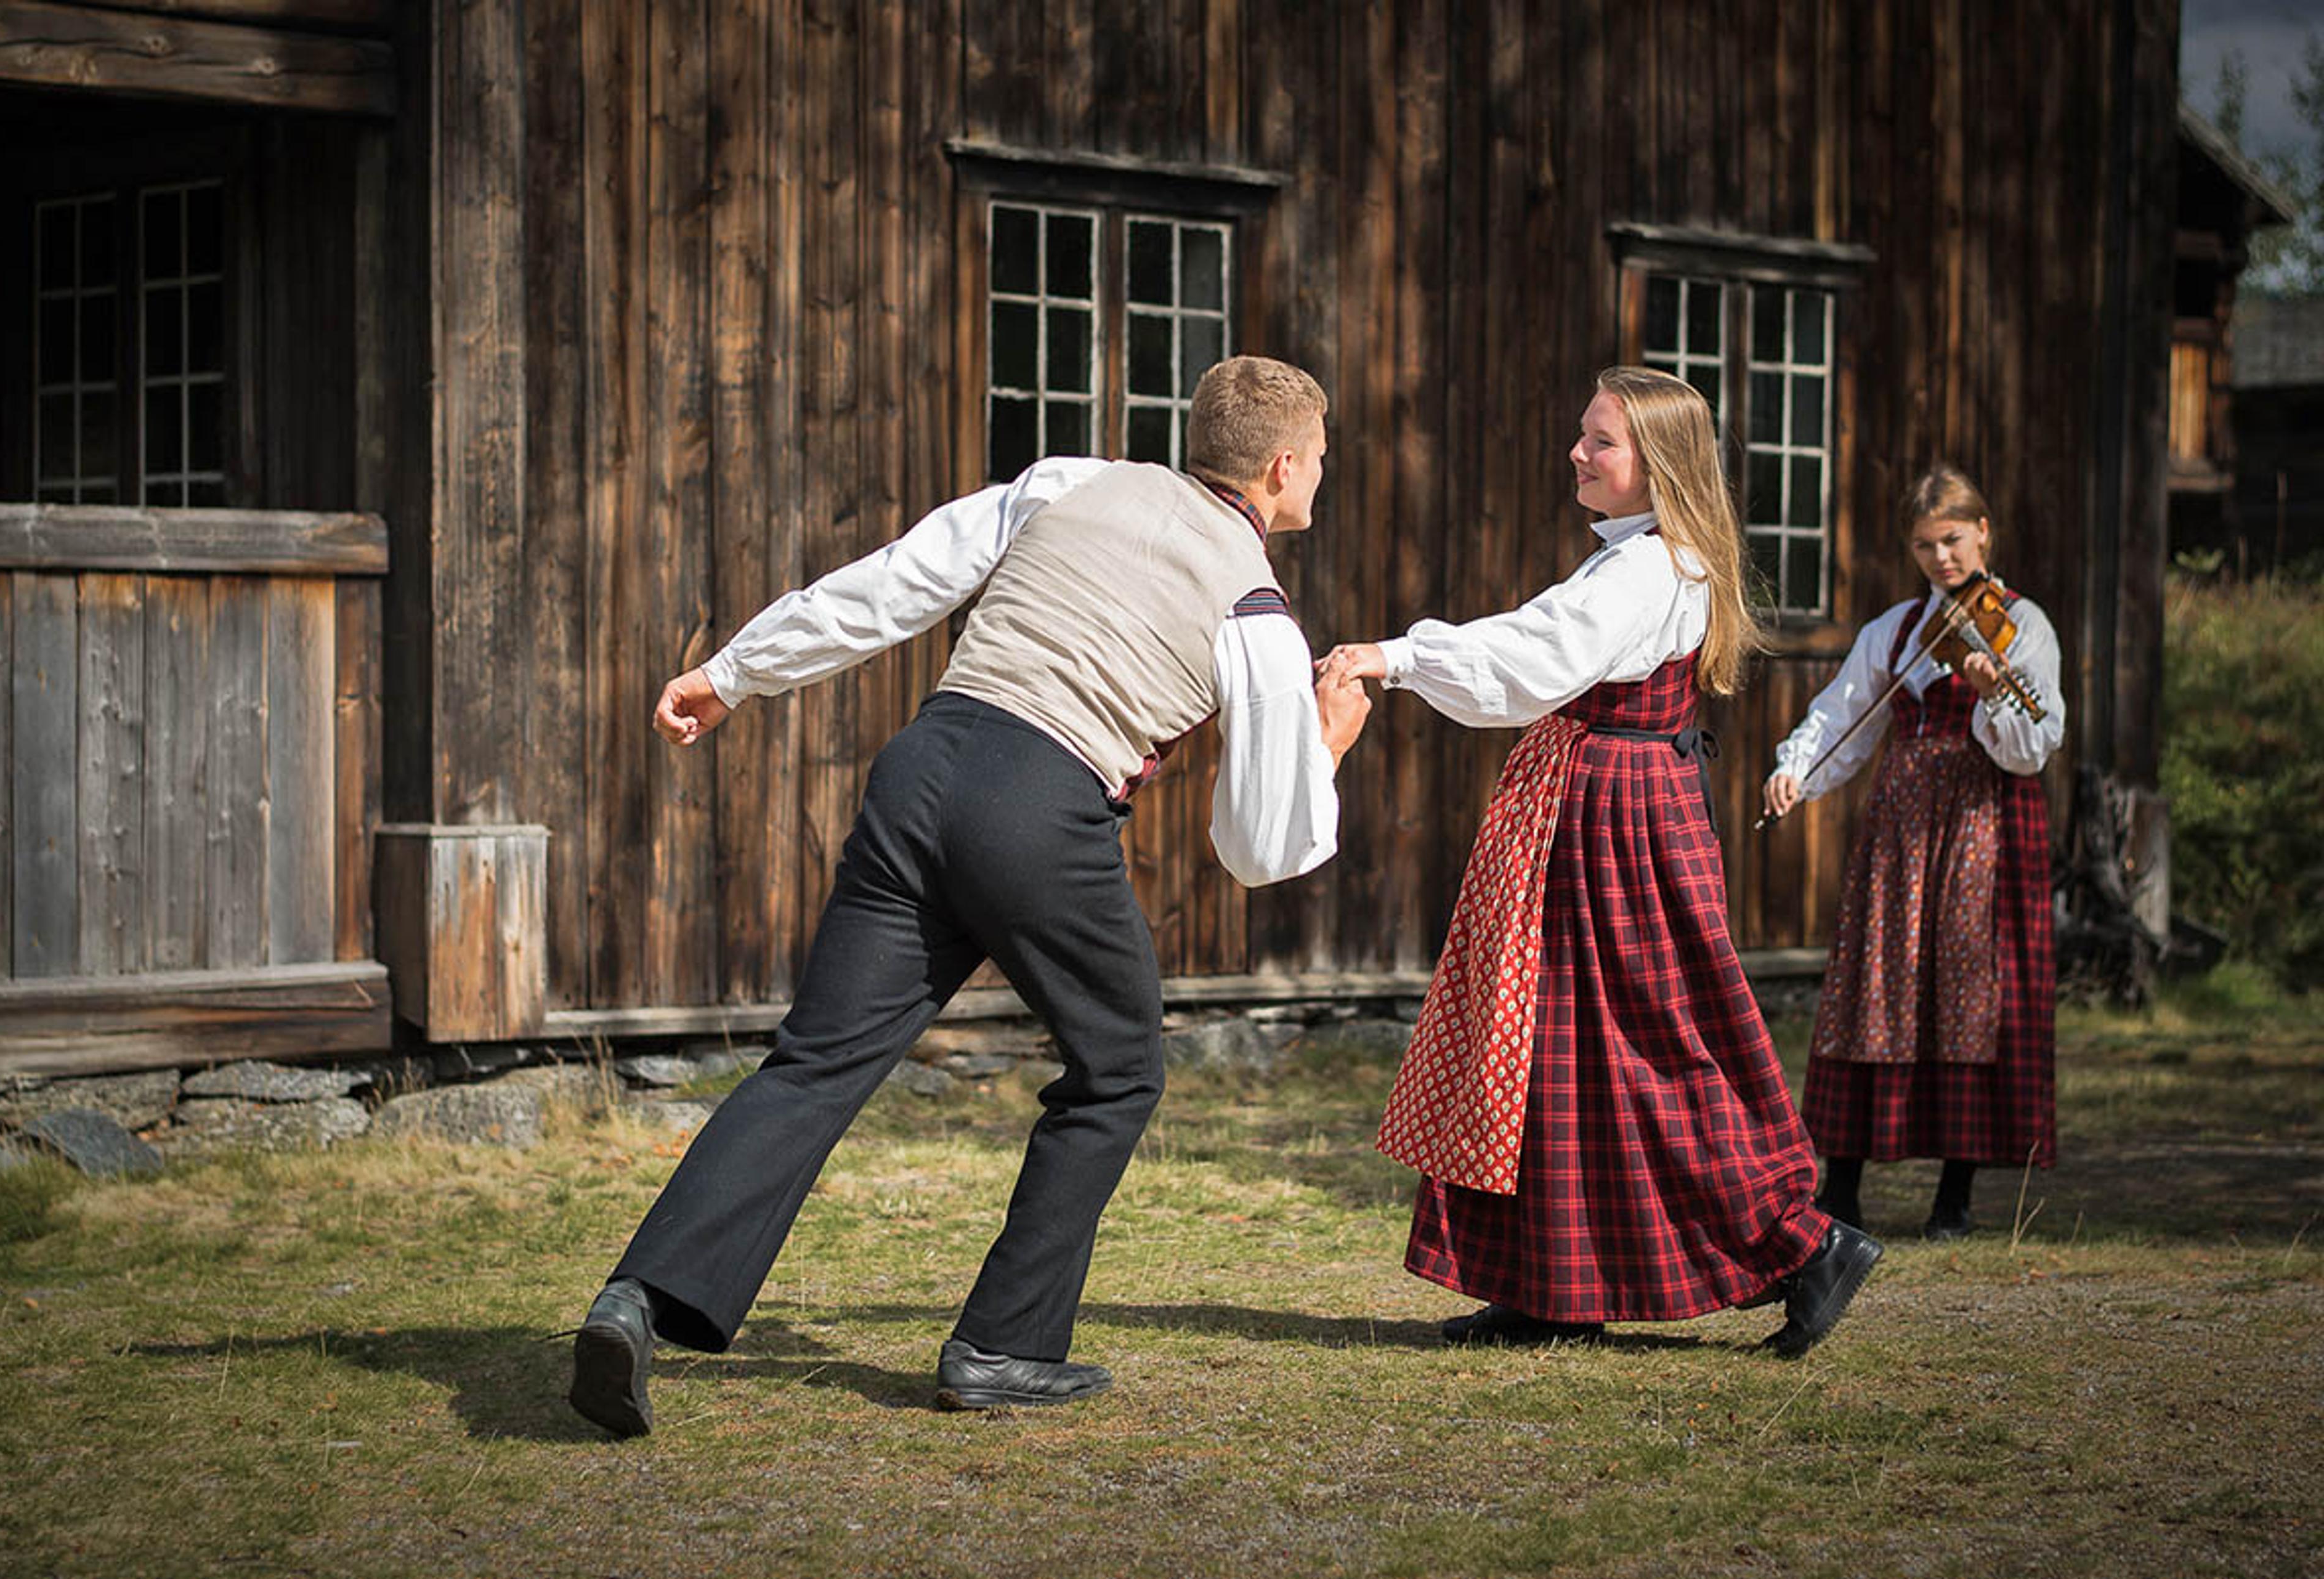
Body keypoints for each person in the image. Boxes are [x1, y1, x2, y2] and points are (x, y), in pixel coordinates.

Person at [568, 356, 1371, 1436]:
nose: (1321, 474)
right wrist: (1321, 747)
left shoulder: (1066, 483)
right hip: (1036, 811)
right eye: (1320, 458)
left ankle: (637, 1299)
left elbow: (898, 580)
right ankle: (1004, 1345)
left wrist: (736, 672)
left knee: (817, 1057)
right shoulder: (1258, 610)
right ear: (1283, 466)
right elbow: (1261, 844)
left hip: (925, 766)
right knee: (1121, 1065)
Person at [1322, 366, 1878, 1358]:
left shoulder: (1651, 568)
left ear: (1657, 463)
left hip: (1615, 824)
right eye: (1584, 434)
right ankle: (1549, 1283)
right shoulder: (1636, 558)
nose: (1579, 452)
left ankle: (1807, 1244)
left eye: (1601, 440)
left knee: (1645, 1050)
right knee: (1551, 1043)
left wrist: (1395, 657)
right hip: (1598, 811)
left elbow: (1536, 658)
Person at [1761, 463, 2065, 1240]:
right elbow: (1842, 717)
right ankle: (1844, 1188)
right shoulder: (1894, 629)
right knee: (1876, 989)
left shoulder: (2022, 626)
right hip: (1900, 835)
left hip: (1980, 827)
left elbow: (2032, 748)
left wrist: (1996, 687)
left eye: (1954, 540)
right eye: (1927, 545)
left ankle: (1953, 1199)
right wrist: (1797, 770)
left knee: (1965, 995)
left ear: (1984, 532)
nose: (1942, 559)